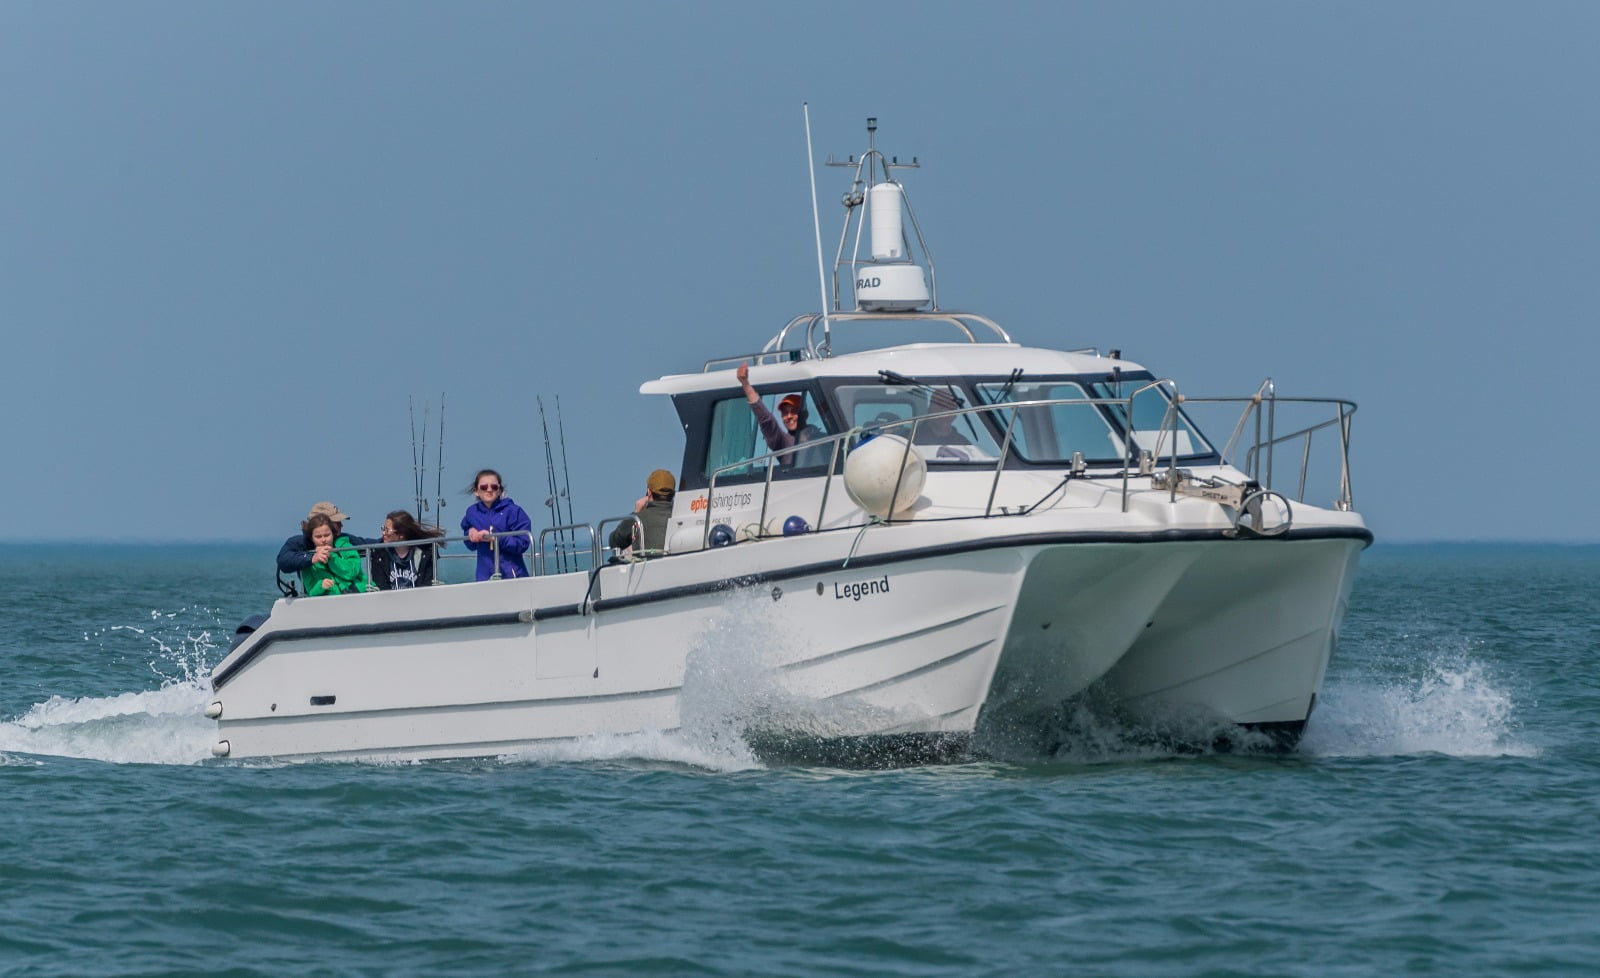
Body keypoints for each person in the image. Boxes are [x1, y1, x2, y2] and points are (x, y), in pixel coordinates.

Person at [736, 362, 824, 468]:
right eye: (785, 413)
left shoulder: (826, 438)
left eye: (794, 411)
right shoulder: (783, 442)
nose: (789, 416)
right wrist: (745, 384)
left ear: (805, 414)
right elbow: (766, 420)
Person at [276, 501, 377, 586]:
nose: (341, 525)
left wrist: (389, 537)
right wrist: (312, 558)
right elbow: (283, 560)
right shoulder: (299, 542)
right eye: (337, 522)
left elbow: (370, 544)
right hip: (318, 594)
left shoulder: (342, 539)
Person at [460, 469, 532, 581]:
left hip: (513, 576)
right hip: (484, 577)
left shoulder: (513, 511)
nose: (489, 490)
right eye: (484, 487)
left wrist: (495, 538)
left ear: (500, 490)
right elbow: (470, 545)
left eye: (494, 487)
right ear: (476, 491)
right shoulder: (472, 513)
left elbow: (523, 543)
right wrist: (471, 534)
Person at [608, 469, 676, 556]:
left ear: (649, 492)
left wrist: (635, 513)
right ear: (673, 493)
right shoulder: (681, 516)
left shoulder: (637, 520)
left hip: (648, 568)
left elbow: (614, 541)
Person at [371, 510, 445, 589]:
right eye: (383, 528)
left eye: (387, 530)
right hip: (390, 600)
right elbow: (381, 586)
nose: (383, 533)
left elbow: (426, 584)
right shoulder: (379, 554)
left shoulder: (425, 553)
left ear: (401, 535)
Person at [297, 513, 368, 596]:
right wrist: (321, 586)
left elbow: (351, 573)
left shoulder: (345, 546)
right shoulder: (308, 560)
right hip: (329, 603)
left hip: (359, 594)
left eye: (327, 535)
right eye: (318, 537)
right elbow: (310, 592)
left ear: (333, 534)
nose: (323, 540)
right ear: (311, 538)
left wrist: (332, 557)